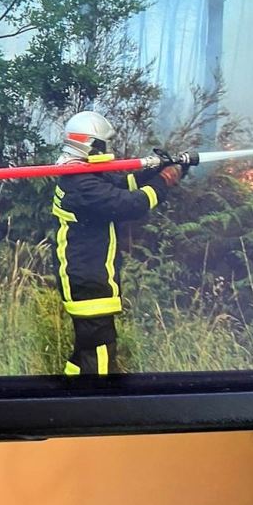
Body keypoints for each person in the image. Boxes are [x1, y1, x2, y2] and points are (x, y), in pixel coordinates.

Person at [51, 111, 184, 375]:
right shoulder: (82, 185)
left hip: (87, 277)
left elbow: (124, 184)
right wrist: (164, 180)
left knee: (84, 353)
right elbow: (131, 204)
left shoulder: (84, 176)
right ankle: (93, 410)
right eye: (104, 143)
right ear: (92, 144)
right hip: (89, 282)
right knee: (99, 354)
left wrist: (161, 168)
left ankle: (66, 405)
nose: (108, 148)